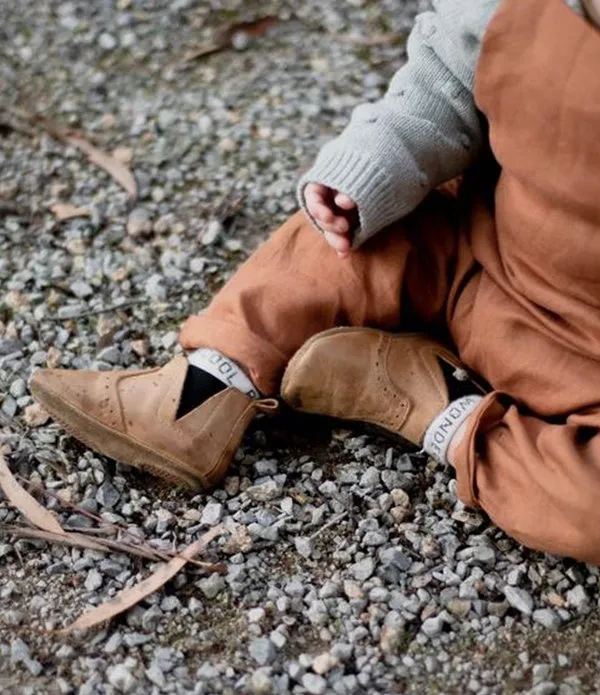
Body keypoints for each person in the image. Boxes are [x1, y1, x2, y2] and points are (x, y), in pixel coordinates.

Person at [30, 0, 600, 564]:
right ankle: (200, 393)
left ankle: (442, 408)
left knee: (587, 508)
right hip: (479, 247)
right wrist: (372, 169)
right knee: (339, 245)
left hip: (578, 369)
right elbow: (446, 78)